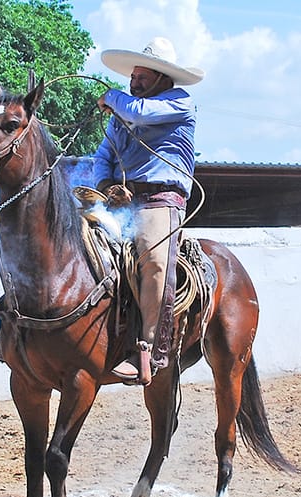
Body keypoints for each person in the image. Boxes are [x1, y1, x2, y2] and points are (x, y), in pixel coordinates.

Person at [93, 37, 204, 385]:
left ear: (162, 79)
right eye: (133, 77)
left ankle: (151, 350)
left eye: (141, 77)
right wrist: (106, 184)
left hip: (161, 201)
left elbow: (139, 114)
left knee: (154, 259)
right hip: (121, 200)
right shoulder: (123, 113)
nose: (134, 82)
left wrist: (111, 96)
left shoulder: (179, 102)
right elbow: (103, 156)